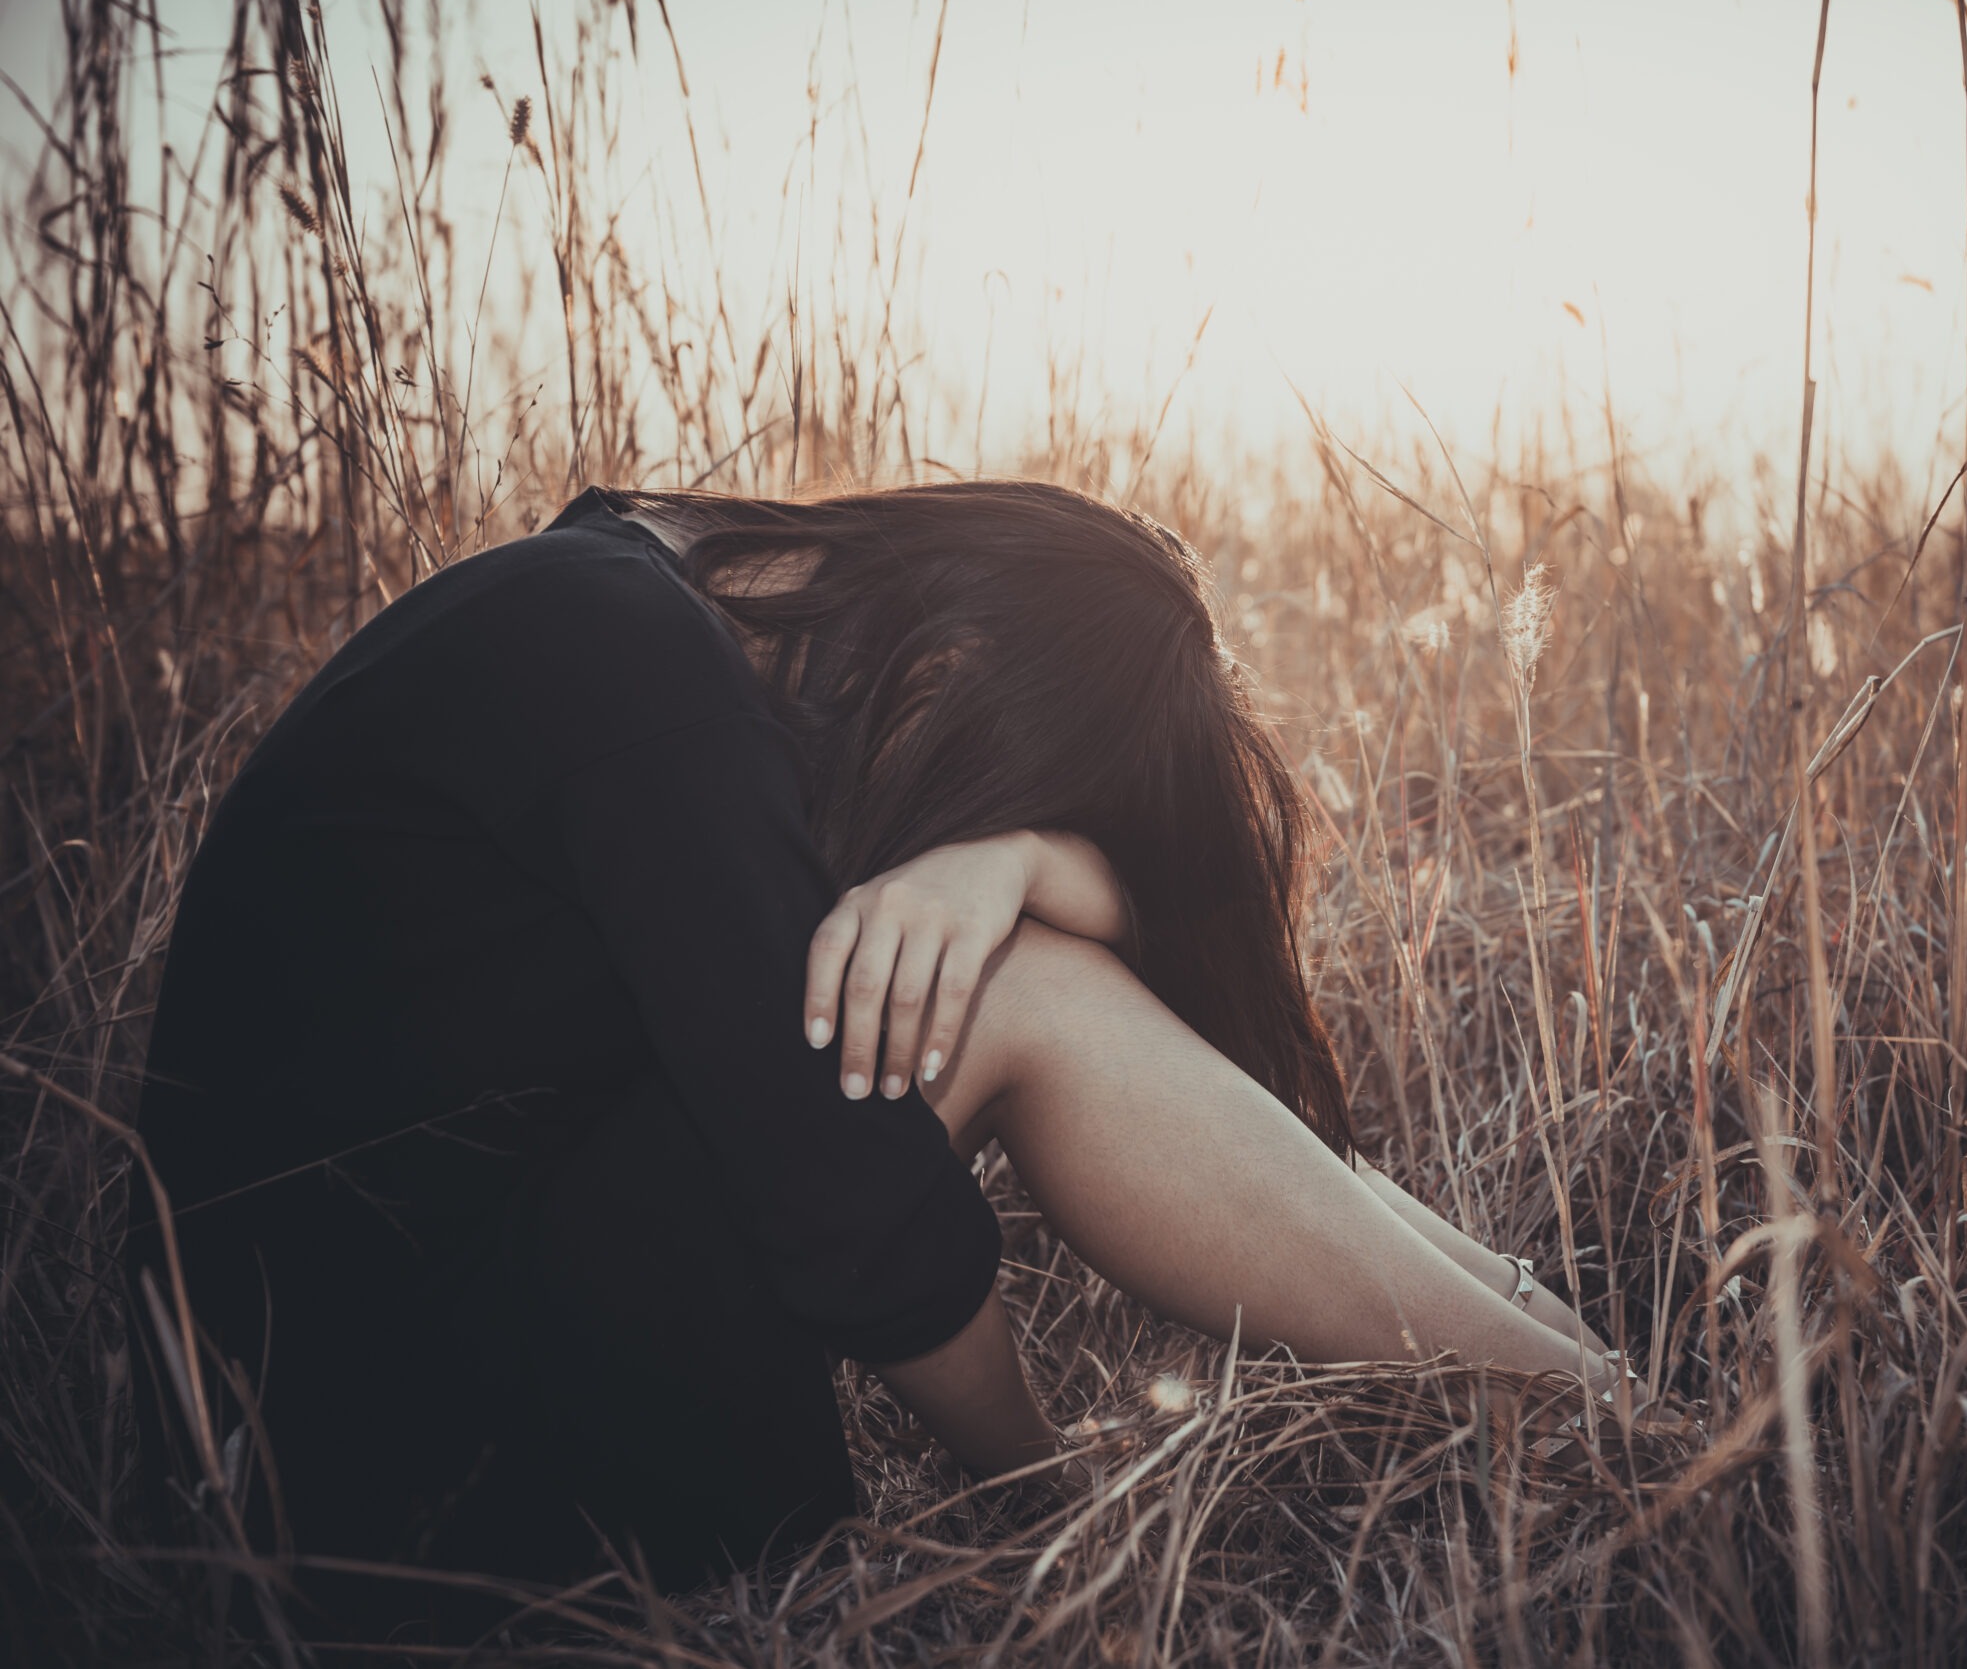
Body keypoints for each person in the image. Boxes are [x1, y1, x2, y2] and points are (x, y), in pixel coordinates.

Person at [130, 481, 1659, 1629]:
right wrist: (1044, 1526)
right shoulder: (636, 676)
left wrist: (1015, 862)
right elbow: (848, 1209)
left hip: (364, 1401)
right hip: (389, 1490)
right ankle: (1598, 1419)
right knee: (1020, 997)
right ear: (964, 680)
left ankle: (1585, 1385)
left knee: (1014, 964)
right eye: (1016, 789)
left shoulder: (629, 599)